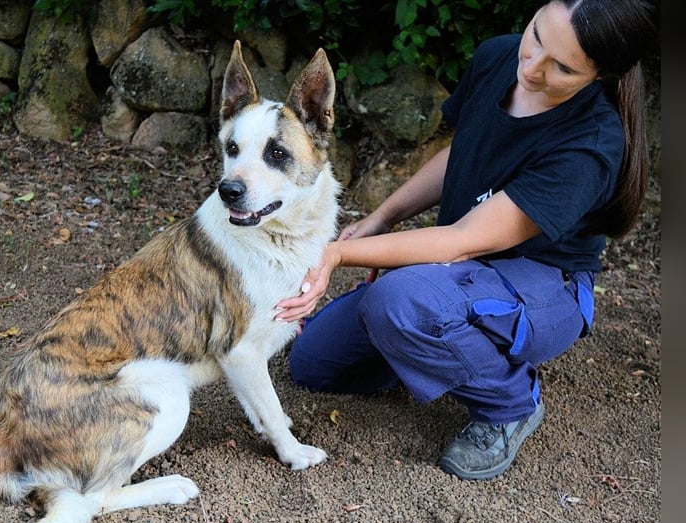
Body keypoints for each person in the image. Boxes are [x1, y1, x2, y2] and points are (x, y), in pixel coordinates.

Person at [275, 0, 658, 480]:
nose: (532, 67)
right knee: (315, 364)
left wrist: (338, 253)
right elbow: (462, 151)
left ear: (601, 74)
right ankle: (426, 339)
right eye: (536, 35)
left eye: (562, 67)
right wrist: (383, 216)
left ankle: (510, 404)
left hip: (541, 285)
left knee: (397, 302)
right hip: (455, 274)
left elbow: (461, 239)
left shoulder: (592, 143)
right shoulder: (499, 56)